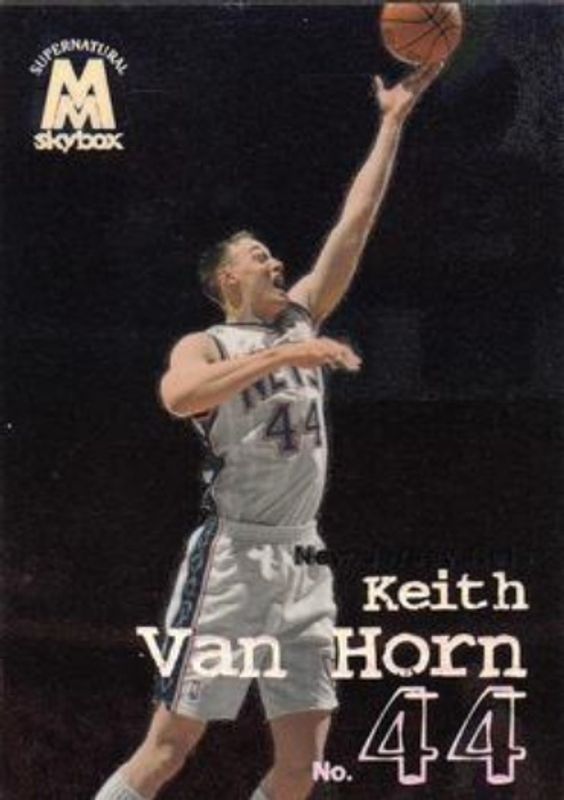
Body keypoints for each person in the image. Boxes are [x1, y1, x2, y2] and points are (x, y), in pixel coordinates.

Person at [95, 62, 442, 800]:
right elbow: (178, 397)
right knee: (168, 750)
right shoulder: (208, 343)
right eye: (259, 256)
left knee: (303, 766)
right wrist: (286, 355)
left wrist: (391, 125)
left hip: (304, 557)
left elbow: (354, 225)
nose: (277, 261)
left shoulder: (300, 319)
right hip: (233, 558)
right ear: (227, 279)